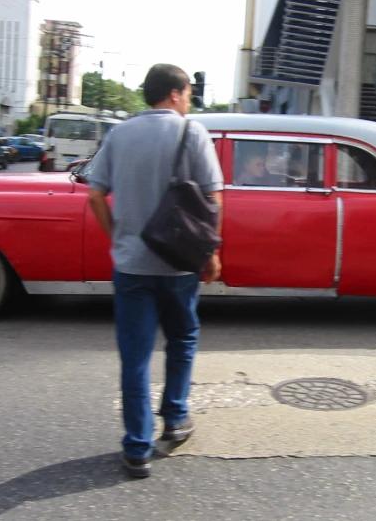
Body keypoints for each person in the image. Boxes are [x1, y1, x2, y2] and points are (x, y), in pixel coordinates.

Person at [87, 63, 224, 478]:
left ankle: (137, 449)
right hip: (180, 266)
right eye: (187, 94)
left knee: (135, 356)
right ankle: (176, 418)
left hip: (131, 267)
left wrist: (118, 237)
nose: (187, 101)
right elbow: (214, 200)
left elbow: (95, 196)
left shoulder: (120, 133)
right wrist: (211, 254)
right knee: (182, 339)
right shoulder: (192, 132)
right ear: (176, 94)